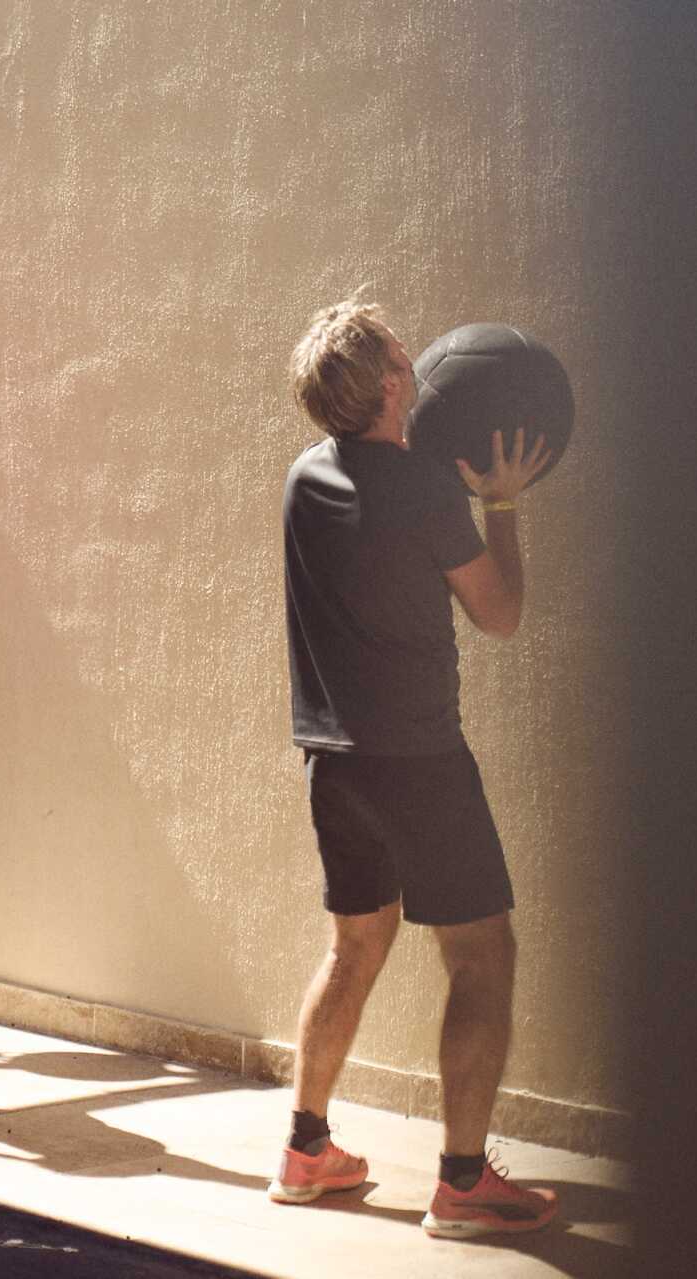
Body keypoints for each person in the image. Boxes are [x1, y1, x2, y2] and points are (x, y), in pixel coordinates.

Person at [275, 298, 558, 1238]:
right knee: (481, 955)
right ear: (395, 383)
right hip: (420, 763)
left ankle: (305, 1151)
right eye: (404, 354)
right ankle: (464, 1183)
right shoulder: (427, 492)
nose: (417, 362)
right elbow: (501, 613)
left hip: (333, 766)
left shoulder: (304, 478)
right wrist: (501, 504)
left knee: (353, 948)